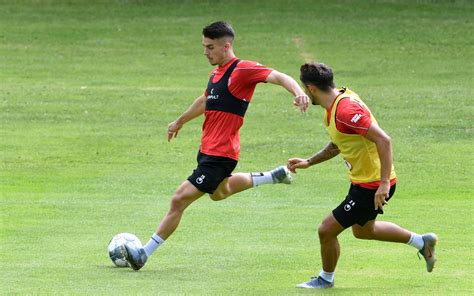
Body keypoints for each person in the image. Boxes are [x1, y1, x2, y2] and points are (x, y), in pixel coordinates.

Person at [123, 21, 310, 270]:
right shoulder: (216, 73)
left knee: (179, 199)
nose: (205, 52)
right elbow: (204, 101)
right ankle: (272, 176)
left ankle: (143, 254)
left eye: (210, 47)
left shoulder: (242, 70)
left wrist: (298, 92)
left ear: (226, 46)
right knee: (219, 193)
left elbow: (278, 76)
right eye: (204, 46)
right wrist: (180, 121)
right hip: (208, 152)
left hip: (220, 155)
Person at [288, 62, 438, 289]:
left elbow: (384, 140)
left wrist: (384, 184)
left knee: (326, 230)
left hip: (373, 185)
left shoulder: (346, 110)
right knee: (363, 230)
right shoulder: (338, 104)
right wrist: (309, 162)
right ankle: (422, 242)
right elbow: (339, 143)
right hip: (364, 182)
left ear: (311, 88)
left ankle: (325, 279)